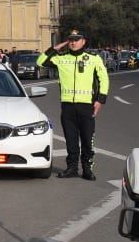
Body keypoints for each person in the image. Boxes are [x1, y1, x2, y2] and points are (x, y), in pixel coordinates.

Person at [37, 29, 109, 180]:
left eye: (77, 39)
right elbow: (40, 61)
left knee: (87, 139)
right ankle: (72, 168)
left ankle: (88, 168)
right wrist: (56, 47)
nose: (73, 42)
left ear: (84, 41)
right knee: (71, 140)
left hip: (86, 106)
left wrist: (100, 100)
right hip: (68, 106)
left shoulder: (93, 58)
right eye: (71, 39)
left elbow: (104, 78)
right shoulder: (61, 58)